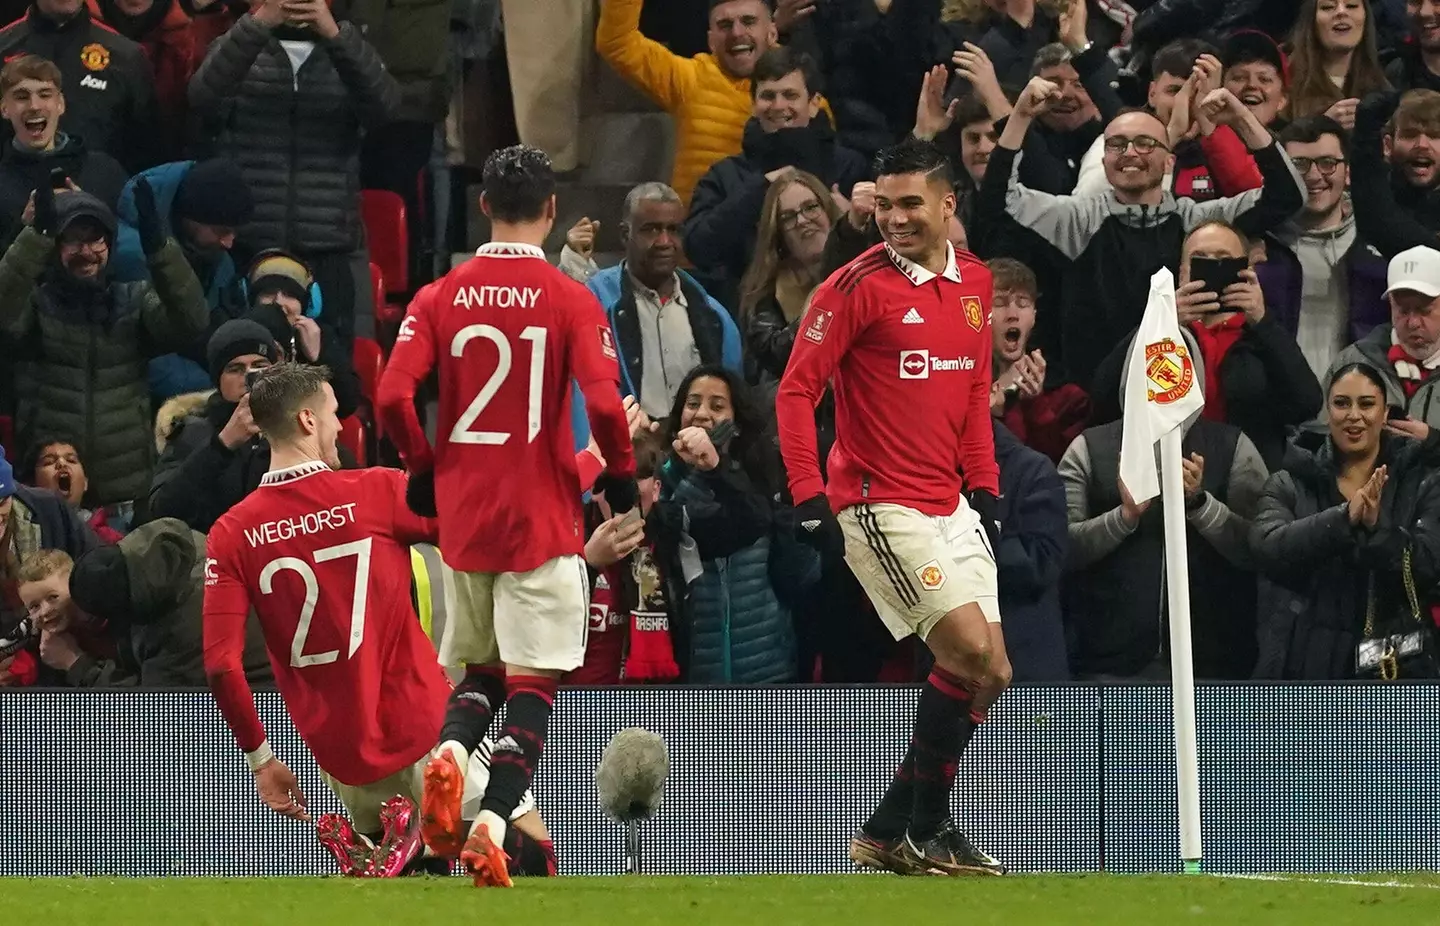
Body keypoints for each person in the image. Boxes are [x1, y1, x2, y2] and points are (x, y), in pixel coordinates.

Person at [375, 144, 636, 888]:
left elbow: (391, 396)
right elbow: (604, 404)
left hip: (465, 519)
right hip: (540, 516)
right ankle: (490, 827)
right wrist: (619, 473)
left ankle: (450, 755)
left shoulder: (438, 296)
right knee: (534, 683)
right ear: (551, 209)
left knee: (482, 670)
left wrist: (423, 467)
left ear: (484, 205)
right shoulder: (570, 298)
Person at [775, 136, 1009, 876]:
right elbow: (795, 391)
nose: (896, 218)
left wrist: (985, 482)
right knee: (966, 652)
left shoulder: (975, 282)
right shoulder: (852, 288)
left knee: (994, 673)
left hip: (949, 502)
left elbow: (975, 389)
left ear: (948, 203)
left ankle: (883, 832)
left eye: (911, 203)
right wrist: (808, 494)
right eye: (884, 205)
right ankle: (929, 830)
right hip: (879, 503)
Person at [202, 362, 450, 878]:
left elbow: (221, 664)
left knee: (404, 892)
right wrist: (588, 465)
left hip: (342, 752)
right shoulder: (378, 491)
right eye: (335, 413)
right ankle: (423, 845)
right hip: (425, 718)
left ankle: (405, 847)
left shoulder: (231, 533)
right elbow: (475, 531)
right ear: (309, 420)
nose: (341, 425)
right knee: (518, 847)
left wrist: (262, 760)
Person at [1252, 361, 1440, 679]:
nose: (1354, 415)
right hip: (1306, 665)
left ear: (1385, 413)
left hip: (1393, 670)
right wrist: (1342, 519)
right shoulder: (1288, 481)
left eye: (1366, 404)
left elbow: (1428, 566)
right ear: (1328, 412)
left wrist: (1377, 529)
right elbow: (1267, 549)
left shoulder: (1423, 481)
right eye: (1342, 403)